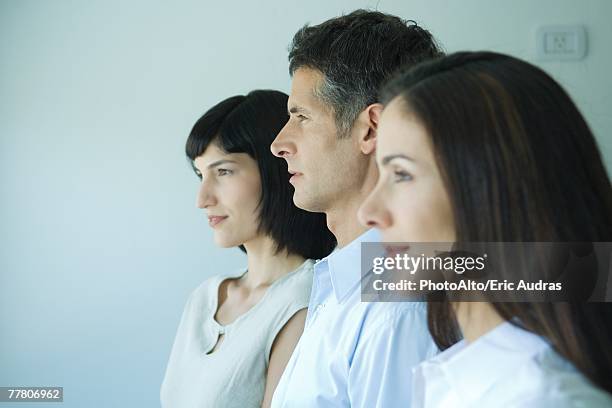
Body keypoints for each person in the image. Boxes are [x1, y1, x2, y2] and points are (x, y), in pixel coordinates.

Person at [358, 51, 612, 407]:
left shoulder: (542, 399)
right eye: (381, 174)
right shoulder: (457, 377)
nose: (368, 212)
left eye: (401, 174)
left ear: (496, 186)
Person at [269, 10, 442, 407]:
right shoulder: (338, 282)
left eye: (301, 117)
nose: (279, 143)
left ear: (372, 129)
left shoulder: (394, 310)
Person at [160, 90, 336, 408]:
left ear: (277, 171)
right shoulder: (204, 297)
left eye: (223, 171)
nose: (203, 199)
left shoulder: (307, 298)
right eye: (201, 175)